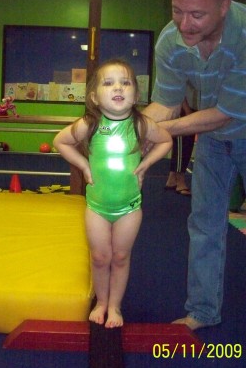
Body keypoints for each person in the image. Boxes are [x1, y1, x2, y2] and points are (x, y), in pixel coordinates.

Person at [144, 0, 246, 365]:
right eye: (177, 10)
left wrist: (162, 131)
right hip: (213, 142)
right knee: (203, 225)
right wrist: (126, 129)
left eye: (197, 14)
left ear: (224, 6)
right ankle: (202, 311)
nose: (184, 24)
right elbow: (164, 105)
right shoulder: (170, 41)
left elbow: (231, 112)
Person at [54, 59, 172, 328]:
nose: (118, 87)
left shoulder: (141, 124)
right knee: (99, 257)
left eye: (125, 82)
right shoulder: (91, 123)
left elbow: (166, 140)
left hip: (129, 207)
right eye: (108, 83)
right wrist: (83, 165)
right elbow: (60, 141)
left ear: (136, 95)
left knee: (120, 257)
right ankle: (101, 302)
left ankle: (115, 306)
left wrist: (145, 165)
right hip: (96, 206)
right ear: (95, 97)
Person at [165, 95, 196, 195]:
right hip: (182, 109)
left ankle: (172, 178)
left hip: (192, 108)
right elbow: (181, 90)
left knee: (187, 144)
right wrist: (186, 110)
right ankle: (180, 180)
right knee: (182, 145)